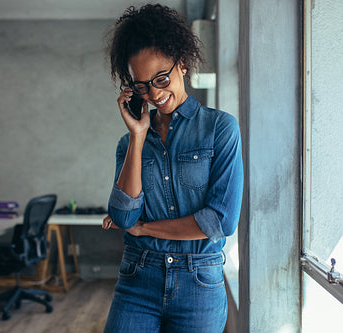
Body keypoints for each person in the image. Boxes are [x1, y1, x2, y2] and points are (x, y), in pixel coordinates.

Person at [102, 4, 243, 332]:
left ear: (181, 64)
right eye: (141, 86)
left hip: (199, 281)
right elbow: (123, 217)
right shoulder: (128, 145)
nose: (154, 93)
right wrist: (138, 136)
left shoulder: (220, 129)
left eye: (161, 78)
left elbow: (219, 221)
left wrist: (146, 228)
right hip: (138, 277)